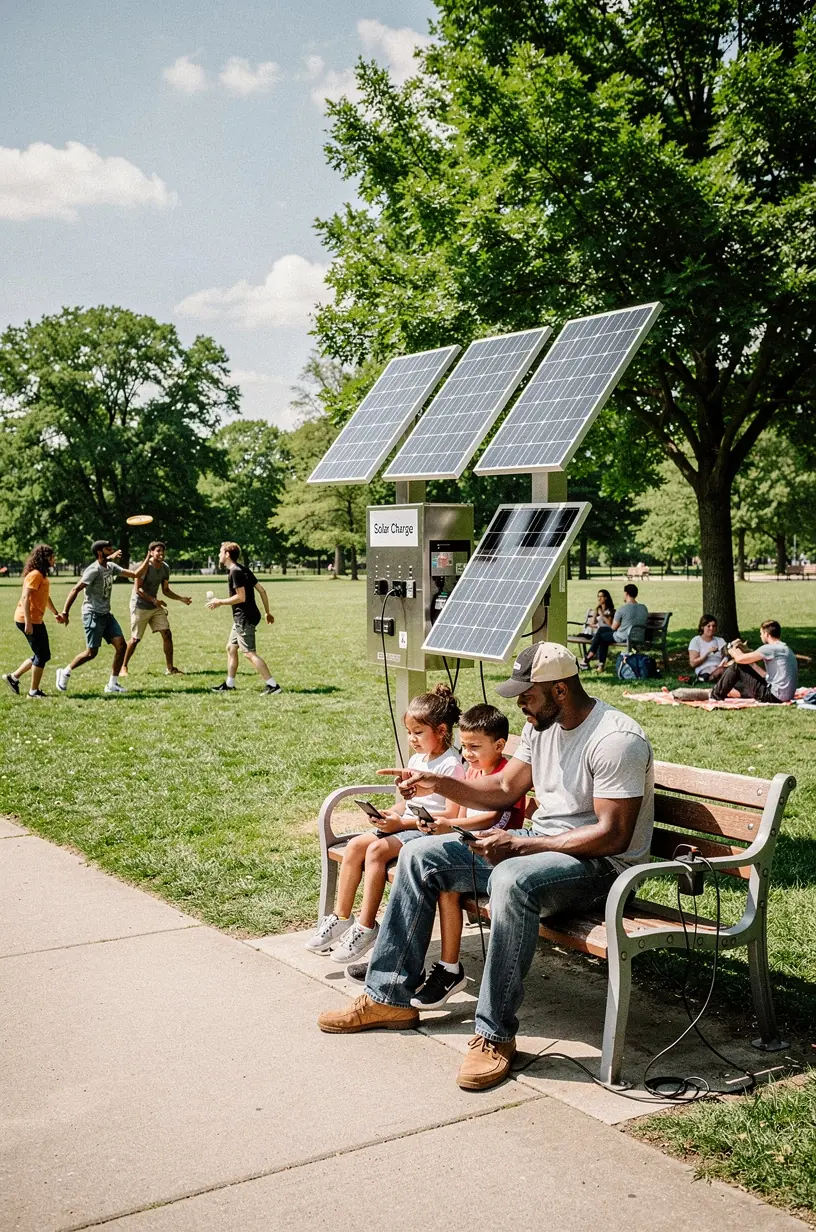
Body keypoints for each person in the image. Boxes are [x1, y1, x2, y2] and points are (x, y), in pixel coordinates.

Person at [317, 642, 654, 1094]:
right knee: (421, 855)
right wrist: (442, 781)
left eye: (526, 695)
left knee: (513, 879)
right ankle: (388, 997)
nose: (519, 704)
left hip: (602, 869)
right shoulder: (542, 727)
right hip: (543, 848)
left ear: (559, 690)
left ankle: (495, 1035)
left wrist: (520, 846)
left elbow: (613, 835)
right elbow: (501, 788)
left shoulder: (615, 740)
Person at [306, 684, 464, 964]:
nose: (412, 739)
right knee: (356, 845)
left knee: (376, 851)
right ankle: (341, 917)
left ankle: (367, 927)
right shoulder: (418, 759)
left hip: (426, 832)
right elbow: (406, 803)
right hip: (405, 824)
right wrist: (388, 813)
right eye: (409, 732)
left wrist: (400, 823)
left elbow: (450, 817)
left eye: (418, 732)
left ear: (441, 730)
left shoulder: (451, 765)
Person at [407, 703, 527, 1010]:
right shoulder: (472, 770)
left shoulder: (507, 776)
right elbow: (458, 814)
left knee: (441, 879)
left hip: (497, 855)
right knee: (443, 885)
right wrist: (440, 825)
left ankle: (444, 969)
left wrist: (452, 825)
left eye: (475, 747)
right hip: (470, 848)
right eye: (465, 747)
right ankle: (444, 967)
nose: (468, 754)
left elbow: (492, 819)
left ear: (500, 745)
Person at [55, 541, 144, 695]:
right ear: (99, 552)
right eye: (108, 549)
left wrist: (148, 557)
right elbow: (75, 589)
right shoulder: (93, 570)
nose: (112, 550)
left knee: (121, 646)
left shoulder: (111, 567)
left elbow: (135, 574)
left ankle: (112, 685)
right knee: (91, 653)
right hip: (92, 614)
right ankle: (65, 672)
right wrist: (65, 612)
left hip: (106, 615)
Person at [207, 542, 281, 695]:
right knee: (231, 647)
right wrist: (267, 612)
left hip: (244, 617)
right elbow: (262, 590)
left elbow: (241, 597)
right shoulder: (243, 569)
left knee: (248, 653)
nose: (219, 555)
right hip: (246, 616)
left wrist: (219, 601)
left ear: (227, 554)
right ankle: (229, 683)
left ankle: (273, 685)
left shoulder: (235, 571)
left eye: (220, 552)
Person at [121, 541, 192, 677]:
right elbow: (138, 589)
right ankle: (123, 667)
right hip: (140, 605)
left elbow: (165, 590)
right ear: (151, 553)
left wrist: (181, 598)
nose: (161, 553)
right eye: (158, 551)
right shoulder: (144, 567)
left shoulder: (165, 568)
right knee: (135, 639)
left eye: (162, 551)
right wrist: (154, 600)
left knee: (167, 633)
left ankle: (170, 668)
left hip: (155, 605)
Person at [3, 544, 65, 698]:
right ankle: (33, 691)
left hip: (34, 619)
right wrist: (29, 622)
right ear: (46, 559)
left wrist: (56, 613)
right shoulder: (35, 574)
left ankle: (13, 677)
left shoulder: (41, 576)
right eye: (52, 557)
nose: (54, 559)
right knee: (42, 655)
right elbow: (25, 597)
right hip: (27, 619)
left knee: (42, 654)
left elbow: (45, 597)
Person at [711, 620, 798, 703]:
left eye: (761, 634)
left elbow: (739, 659)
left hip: (774, 696)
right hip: (786, 695)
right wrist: (743, 650)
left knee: (738, 666)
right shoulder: (785, 648)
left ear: (766, 634)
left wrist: (730, 648)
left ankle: (715, 695)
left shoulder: (769, 648)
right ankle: (726, 690)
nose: (760, 636)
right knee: (742, 676)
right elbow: (759, 666)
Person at [585, 583, 649, 670]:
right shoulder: (644, 607)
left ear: (626, 594)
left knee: (601, 635)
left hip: (624, 636)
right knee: (602, 632)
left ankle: (589, 658)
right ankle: (596, 662)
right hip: (639, 636)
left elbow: (613, 628)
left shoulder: (622, 609)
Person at [688, 615, 727, 682]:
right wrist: (707, 653)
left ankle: (709, 679)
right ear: (702, 627)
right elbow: (693, 663)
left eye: (713, 626)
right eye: (708, 626)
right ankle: (705, 679)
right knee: (716, 673)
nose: (711, 628)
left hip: (719, 668)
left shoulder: (720, 640)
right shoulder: (696, 640)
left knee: (723, 670)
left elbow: (726, 656)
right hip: (704, 670)